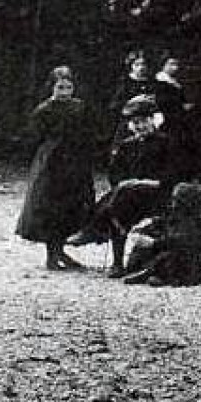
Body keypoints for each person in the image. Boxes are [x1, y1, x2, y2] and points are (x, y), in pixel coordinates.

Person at [67, 95, 177, 276]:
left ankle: (92, 231)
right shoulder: (127, 145)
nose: (140, 127)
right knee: (120, 203)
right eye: (136, 123)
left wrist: (147, 182)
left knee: (116, 203)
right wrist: (126, 183)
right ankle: (116, 262)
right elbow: (115, 173)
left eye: (144, 122)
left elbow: (173, 172)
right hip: (129, 196)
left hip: (157, 193)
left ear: (154, 120)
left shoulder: (166, 142)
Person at [15, 68, 97, 271]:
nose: (65, 92)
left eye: (69, 87)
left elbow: (89, 131)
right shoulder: (44, 110)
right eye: (60, 87)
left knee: (72, 205)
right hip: (52, 163)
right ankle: (51, 255)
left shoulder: (80, 107)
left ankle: (61, 250)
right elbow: (34, 137)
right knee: (51, 206)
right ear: (51, 87)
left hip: (75, 161)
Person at [120, 182, 201, 288]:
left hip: (187, 265)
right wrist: (142, 231)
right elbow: (159, 224)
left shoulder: (192, 222)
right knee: (146, 245)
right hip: (180, 261)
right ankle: (148, 271)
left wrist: (153, 243)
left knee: (170, 254)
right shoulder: (174, 215)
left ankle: (154, 274)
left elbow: (179, 241)